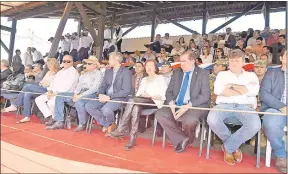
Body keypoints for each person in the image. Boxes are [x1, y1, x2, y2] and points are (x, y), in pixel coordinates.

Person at [207, 49, 261, 166]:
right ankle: (234, 147)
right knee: (212, 119)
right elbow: (219, 91)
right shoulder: (222, 75)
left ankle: (229, 147)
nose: (234, 63)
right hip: (223, 106)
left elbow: (254, 91)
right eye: (231, 61)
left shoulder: (251, 75)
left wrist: (231, 86)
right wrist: (242, 90)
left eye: (237, 61)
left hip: (245, 107)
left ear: (243, 62)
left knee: (255, 125)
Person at [155, 50, 210, 153]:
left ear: (192, 61)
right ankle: (182, 139)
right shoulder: (176, 72)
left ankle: (187, 138)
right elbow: (169, 92)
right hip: (176, 104)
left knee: (190, 120)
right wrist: (171, 103)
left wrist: (189, 105)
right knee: (160, 114)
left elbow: (205, 96)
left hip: (194, 105)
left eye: (184, 61)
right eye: (180, 61)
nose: (181, 64)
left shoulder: (203, 73)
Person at [108, 59, 167, 150]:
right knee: (135, 107)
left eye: (151, 65)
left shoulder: (160, 78)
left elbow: (162, 95)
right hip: (142, 101)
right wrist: (144, 95)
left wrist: (150, 96)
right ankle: (132, 139)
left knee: (132, 101)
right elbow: (138, 94)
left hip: (155, 101)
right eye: (147, 66)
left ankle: (121, 129)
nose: (149, 68)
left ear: (155, 68)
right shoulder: (144, 79)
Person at [47, 56, 104, 131]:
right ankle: (59, 121)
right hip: (81, 92)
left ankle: (82, 124)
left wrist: (80, 95)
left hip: (91, 94)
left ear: (95, 65)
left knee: (79, 102)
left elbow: (95, 88)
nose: (86, 65)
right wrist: (75, 94)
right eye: (86, 63)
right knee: (60, 95)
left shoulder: (98, 74)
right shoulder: (84, 73)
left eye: (89, 63)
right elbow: (79, 85)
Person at [84, 52, 132, 134]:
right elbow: (103, 86)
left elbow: (125, 91)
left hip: (119, 97)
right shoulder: (108, 71)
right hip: (106, 95)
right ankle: (109, 124)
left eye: (110, 59)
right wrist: (100, 94)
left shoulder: (126, 72)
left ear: (116, 60)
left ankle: (109, 125)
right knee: (89, 106)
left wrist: (110, 97)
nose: (108, 61)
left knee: (106, 109)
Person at [1, 58, 59, 123]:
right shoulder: (48, 72)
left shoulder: (58, 73)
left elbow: (53, 84)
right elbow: (42, 81)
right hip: (40, 87)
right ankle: (26, 116)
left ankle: (14, 105)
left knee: (27, 86)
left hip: (48, 90)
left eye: (49, 65)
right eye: (47, 65)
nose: (48, 67)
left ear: (54, 65)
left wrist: (45, 82)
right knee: (27, 94)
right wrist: (42, 82)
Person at [260, 48, 287, 173]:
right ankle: (281, 155)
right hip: (276, 109)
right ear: (281, 58)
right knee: (271, 123)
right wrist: (282, 106)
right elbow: (264, 94)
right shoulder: (271, 73)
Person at [35, 55, 79, 126]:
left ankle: (55, 119)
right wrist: (50, 91)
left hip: (65, 94)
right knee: (38, 99)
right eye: (64, 61)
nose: (66, 63)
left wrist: (54, 93)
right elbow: (53, 83)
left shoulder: (73, 72)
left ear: (72, 62)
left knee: (51, 103)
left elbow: (66, 87)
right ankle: (50, 116)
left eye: (68, 61)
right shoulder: (60, 72)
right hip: (54, 92)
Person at [249, 60, 268, 147]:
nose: (259, 69)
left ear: (266, 69)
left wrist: (261, 106)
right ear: (253, 68)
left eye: (261, 67)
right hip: (251, 105)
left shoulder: (270, 80)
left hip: (265, 106)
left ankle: (261, 135)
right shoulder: (249, 79)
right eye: (257, 67)